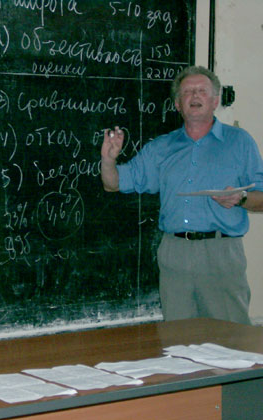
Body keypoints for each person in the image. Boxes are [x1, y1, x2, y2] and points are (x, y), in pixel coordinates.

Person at [101, 65, 263, 324]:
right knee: (178, 339)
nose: (194, 96)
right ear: (177, 104)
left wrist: (241, 198)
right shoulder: (161, 147)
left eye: (202, 91)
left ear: (215, 101)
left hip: (221, 252)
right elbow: (114, 184)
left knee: (230, 338)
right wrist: (108, 160)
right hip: (174, 253)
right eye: (187, 92)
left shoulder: (240, 142)